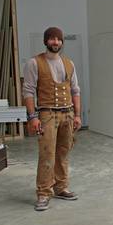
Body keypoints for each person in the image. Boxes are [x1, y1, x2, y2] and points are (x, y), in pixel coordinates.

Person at [23, 27, 82, 211]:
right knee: (47, 154)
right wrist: (33, 117)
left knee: (63, 153)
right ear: (45, 41)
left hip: (68, 113)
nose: (55, 42)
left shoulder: (69, 63)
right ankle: (43, 192)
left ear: (62, 42)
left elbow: (75, 91)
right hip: (47, 114)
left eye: (58, 39)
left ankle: (61, 187)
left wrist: (78, 115)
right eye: (52, 39)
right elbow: (28, 91)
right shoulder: (34, 63)